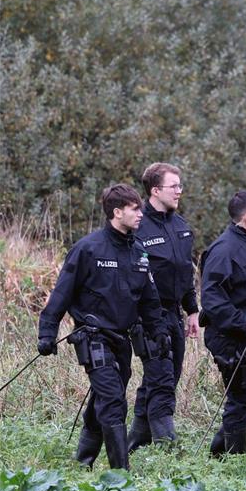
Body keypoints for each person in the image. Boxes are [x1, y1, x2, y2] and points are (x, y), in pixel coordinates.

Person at [37, 184, 169, 471]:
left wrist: (159, 332)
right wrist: (47, 333)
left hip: (123, 340)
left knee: (105, 397)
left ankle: (83, 462)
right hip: (93, 338)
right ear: (117, 212)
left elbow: (149, 300)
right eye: (135, 209)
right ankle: (121, 475)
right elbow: (62, 294)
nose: (140, 214)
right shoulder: (88, 248)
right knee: (112, 401)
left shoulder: (139, 253)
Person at [127, 162, 200, 451]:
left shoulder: (181, 227)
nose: (179, 191)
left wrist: (192, 309)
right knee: (161, 377)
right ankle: (166, 446)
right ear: (155, 190)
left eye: (180, 186)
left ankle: (135, 440)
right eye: (174, 186)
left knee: (169, 375)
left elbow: (185, 271)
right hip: (146, 317)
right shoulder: (137, 226)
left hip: (174, 313)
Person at [200, 190, 246, 456]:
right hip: (228, 337)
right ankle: (232, 462)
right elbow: (211, 300)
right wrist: (245, 322)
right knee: (242, 401)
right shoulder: (224, 250)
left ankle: (218, 453)